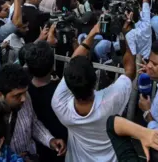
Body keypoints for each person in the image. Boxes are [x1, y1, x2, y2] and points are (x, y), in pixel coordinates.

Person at [50, 21, 136, 162]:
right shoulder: (111, 99)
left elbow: (73, 64)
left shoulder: (59, 105)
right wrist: (124, 35)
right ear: (95, 79)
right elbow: (130, 71)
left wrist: (92, 34)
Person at [0, 63, 65, 159]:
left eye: (25, 92)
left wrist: (50, 140)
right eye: (17, 95)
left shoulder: (24, 97)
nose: (24, 99)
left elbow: (33, 123)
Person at [24, 41, 68, 162]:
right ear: (52, 66)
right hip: (58, 146)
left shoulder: (22, 90)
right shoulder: (60, 92)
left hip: (33, 147)